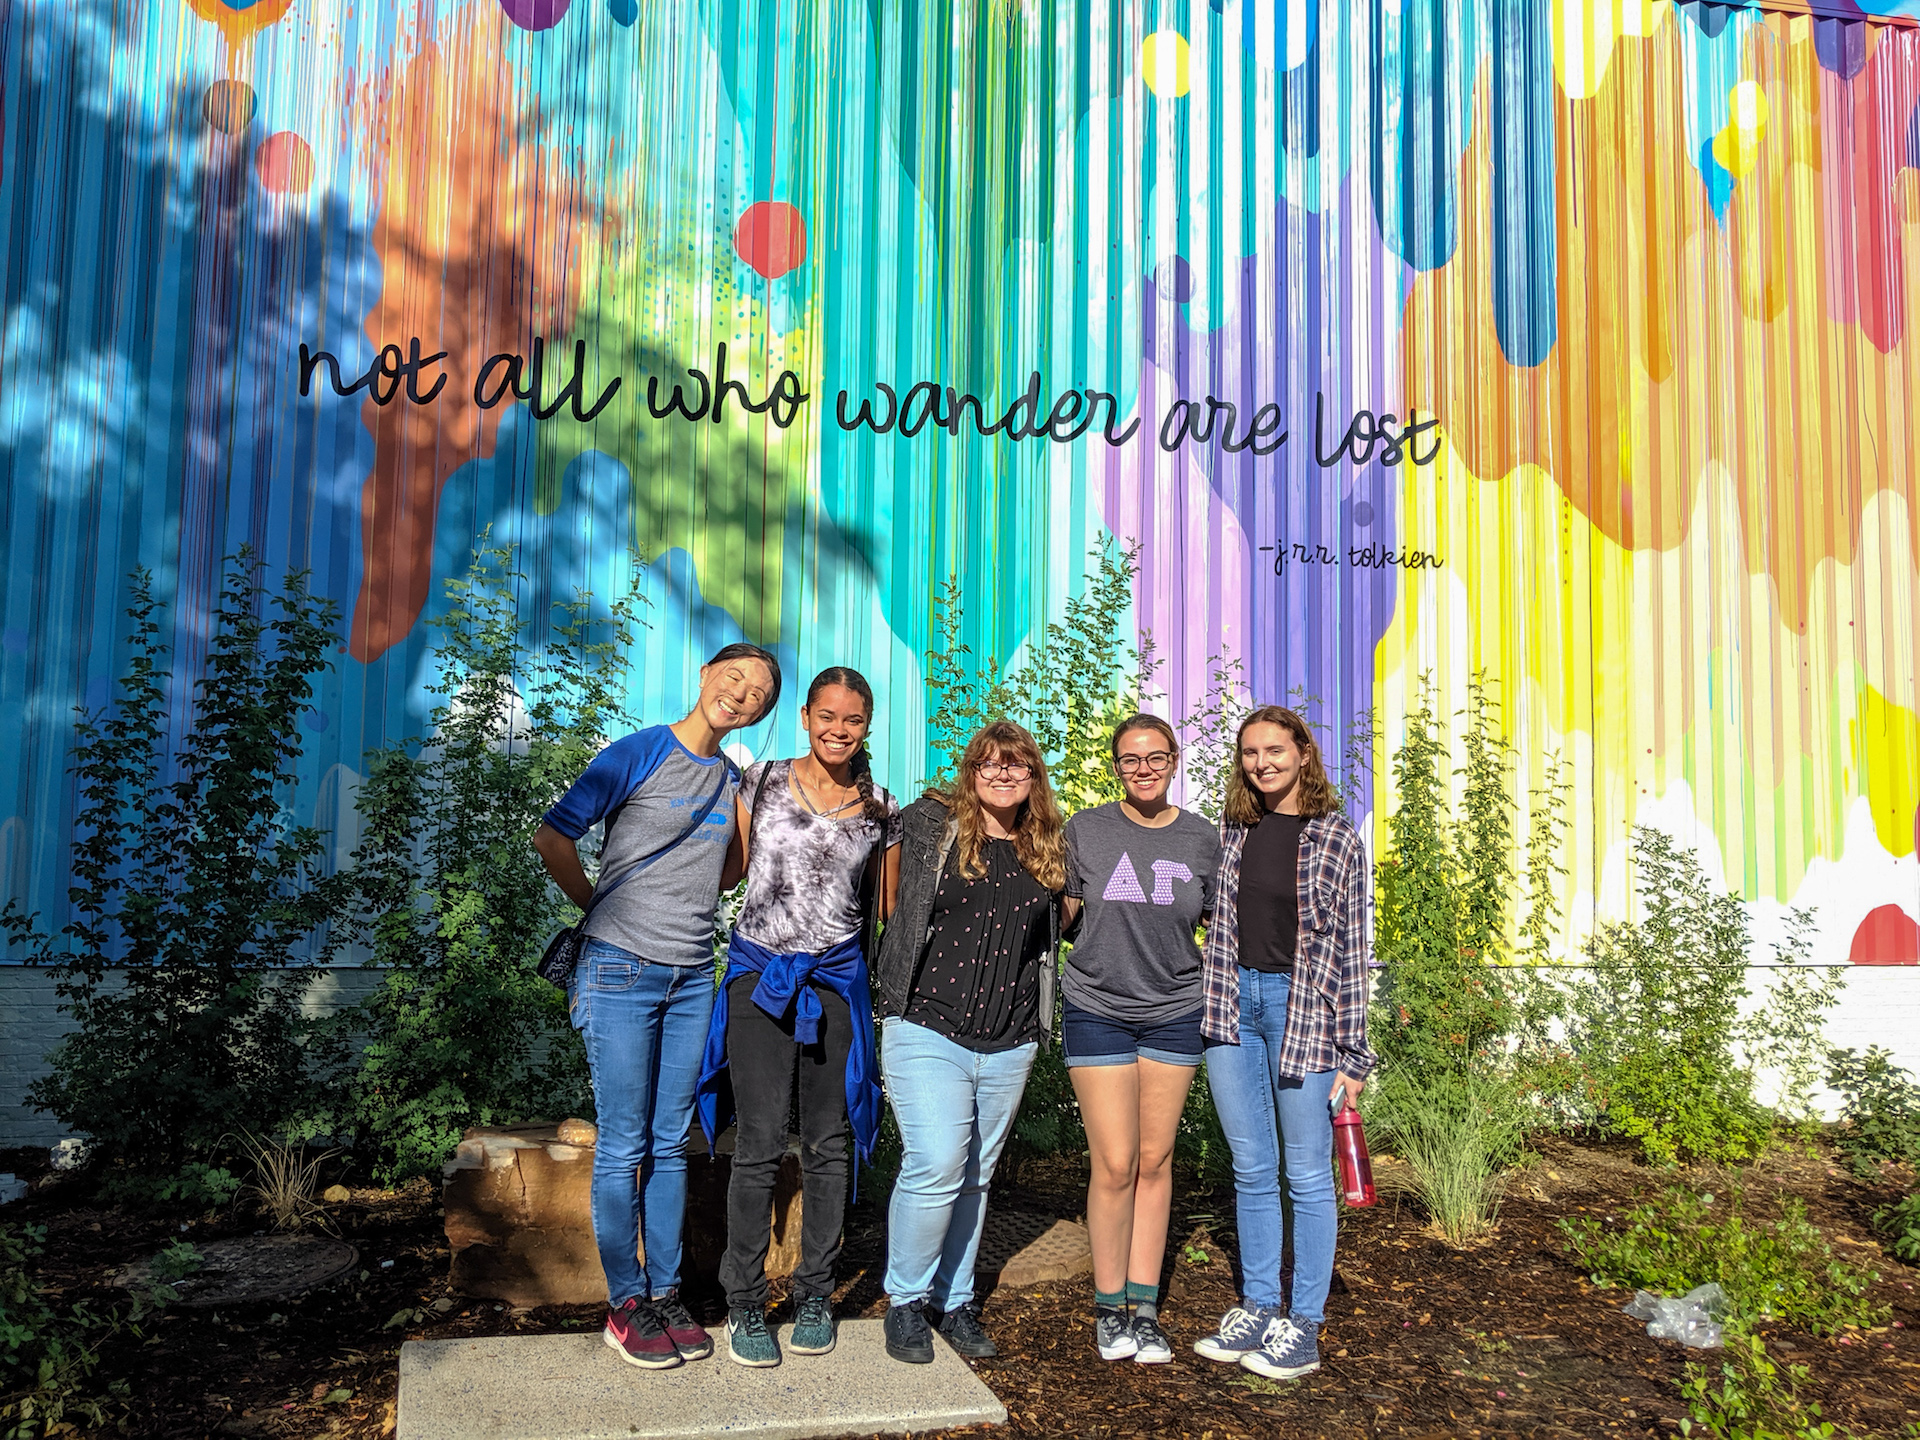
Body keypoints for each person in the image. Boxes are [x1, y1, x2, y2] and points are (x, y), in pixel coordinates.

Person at [533, 642, 780, 1371]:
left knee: (672, 1143)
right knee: (624, 1144)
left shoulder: (731, 780)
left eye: (758, 693)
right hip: (618, 971)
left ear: (762, 712)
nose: (740, 694)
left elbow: (729, 873)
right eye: (732, 678)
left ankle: (667, 1294)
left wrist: (743, 813)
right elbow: (553, 837)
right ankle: (626, 1303)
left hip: (689, 978)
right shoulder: (636, 752)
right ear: (704, 675)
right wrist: (601, 913)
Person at [694, 667, 902, 1368]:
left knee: (826, 1142)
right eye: (828, 716)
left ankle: (816, 1291)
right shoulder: (760, 783)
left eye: (853, 720)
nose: (838, 730)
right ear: (807, 716)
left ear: (866, 727)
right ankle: (745, 1302)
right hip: (760, 980)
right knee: (755, 1142)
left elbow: (888, 914)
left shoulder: (882, 809)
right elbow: (728, 872)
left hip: (837, 986)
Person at [872, 720, 1067, 1365]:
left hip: (1010, 1038)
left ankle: (951, 1302)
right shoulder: (933, 826)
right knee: (935, 1164)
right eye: (989, 764)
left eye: (1016, 766)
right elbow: (883, 883)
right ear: (971, 771)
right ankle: (904, 1299)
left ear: (1033, 775)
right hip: (927, 1023)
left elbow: (1063, 927)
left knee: (976, 1178)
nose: (1002, 775)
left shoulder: (1048, 847)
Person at [1190, 705, 1375, 1381]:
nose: (1261, 763)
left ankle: (1305, 1325)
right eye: (1249, 753)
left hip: (1305, 1012)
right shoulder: (1235, 830)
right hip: (1233, 1005)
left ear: (1303, 753)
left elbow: (1354, 950)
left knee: (1305, 1174)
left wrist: (1355, 1055)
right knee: (1250, 1167)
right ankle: (1261, 1304)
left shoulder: (1337, 839)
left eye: (1274, 750)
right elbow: (1211, 915)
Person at [1059, 714, 1220, 1363]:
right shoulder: (1087, 830)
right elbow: (1061, 910)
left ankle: (1144, 1308)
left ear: (1174, 759)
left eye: (1155, 757)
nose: (1144, 768)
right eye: (1130, 759)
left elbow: (1220, 921)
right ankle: (1108, 1310)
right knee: (1117, 1162)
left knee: (1155, 1162)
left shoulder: (1201, 838)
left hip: (1175, 1008)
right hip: (1097, 1005)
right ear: (1116, 765)